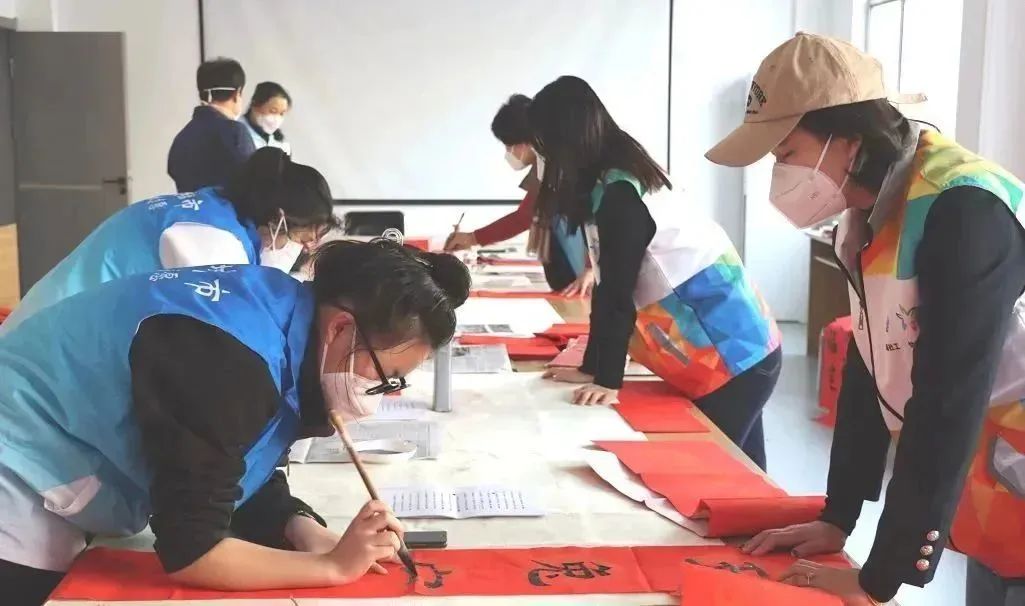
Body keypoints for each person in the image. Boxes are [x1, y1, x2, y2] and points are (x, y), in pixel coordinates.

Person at [705, 33, 1025, 606]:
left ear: (848, 141)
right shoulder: (866, 215)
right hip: (993, 478)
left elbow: (946, 401)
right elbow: (871, 358)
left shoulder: (963, 208)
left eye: (785, 153)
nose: (779, 175)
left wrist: (879, 576)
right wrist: (838, 517)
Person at [0, 238, 471, 606]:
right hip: (19, 450)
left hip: (63, 444)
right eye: (386, 377)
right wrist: (332, 568)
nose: (381, 392)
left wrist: (299, 527)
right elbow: (193, 551)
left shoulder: (287, 313)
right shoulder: (230, 358)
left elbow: (236, 459)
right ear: (342, 328)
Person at [533, 76, 781, 470]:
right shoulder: (610, 178)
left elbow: (616, 291)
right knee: (745, 481)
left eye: (544, 146)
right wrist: (591, 368)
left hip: (732, 354)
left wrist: (607, 381)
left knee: (718, 475)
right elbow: (606, 284)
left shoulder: (620, 193)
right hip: (735, 350)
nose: (543, 159)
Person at [0, 148, 336, 335]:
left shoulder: (214, 207)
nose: (304, 248)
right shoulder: (211, 240)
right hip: (47, 339)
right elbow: (231, 330)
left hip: (56, 322)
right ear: (278, 218)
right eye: (303, 237)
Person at [444, 94, 592, 295]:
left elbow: (599, 218)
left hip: (590, 270)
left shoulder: (565, 164)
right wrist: (472, 238)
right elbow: (525, 215)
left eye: (508, 146)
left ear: (525, 142)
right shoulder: (545, 163)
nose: (509, 153)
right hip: (572, 272)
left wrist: (593, 268)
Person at [168, 58, 257, 193]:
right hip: (231, 207)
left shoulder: (182, 137)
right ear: (237, 94)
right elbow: (255, 182)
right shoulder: (236, 133)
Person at [243, 81, 293, 155]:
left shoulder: (282, 145)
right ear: (255, 105)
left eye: (281, 113)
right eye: (273, 111)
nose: (277, 119)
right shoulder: (235, 131)